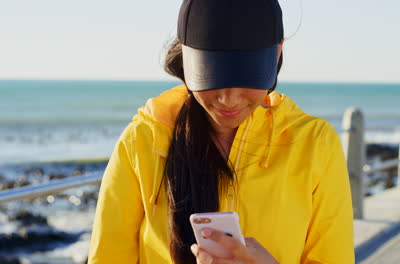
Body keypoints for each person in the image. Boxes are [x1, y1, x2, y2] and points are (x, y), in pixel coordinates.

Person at [87, 0, 355, 263]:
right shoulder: (143, 141)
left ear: (278, 53)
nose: (229, 100)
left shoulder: (315, 144)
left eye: (247, 77)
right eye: (212, 75)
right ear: (186, 57)